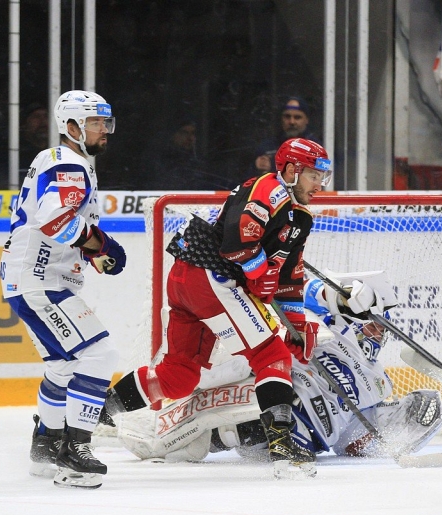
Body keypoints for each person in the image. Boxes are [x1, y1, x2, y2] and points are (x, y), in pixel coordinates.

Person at [100, 138, 365, 478]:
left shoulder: (298, 216)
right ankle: (282, 445)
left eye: (323, 177)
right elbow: (236, 243)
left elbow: (289, 274)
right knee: (272, 357)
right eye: (314, 175)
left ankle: (93, 413)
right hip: (209, 277)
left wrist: (297, 327)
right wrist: (257, 273)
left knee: (178, 376)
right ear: (291, 170)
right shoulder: (268, 189)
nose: (320, 185)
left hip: (190, 280)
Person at [110, 273, 442, 465]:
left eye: (383, 328)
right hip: (262, 392)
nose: (379, 333)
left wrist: (403, 430)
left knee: (221, 432)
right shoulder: (328, 322)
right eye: (375, 324)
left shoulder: (379, 382)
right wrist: (341, 296)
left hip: (293, 439)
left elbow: (352, 442)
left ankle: (212, 434)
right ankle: (147, 415)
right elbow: (302, 289)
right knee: (228, 370)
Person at [0, 90, 127, 489]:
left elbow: (56, 225)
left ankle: (46, 445)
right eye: (94, 123)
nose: (103, 130)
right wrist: (100, 243)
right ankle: (75, 451)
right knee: (99, 354)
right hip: (41, 281)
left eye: (105, 122)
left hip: (34, 277)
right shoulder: (69, 163)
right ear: (71, 127)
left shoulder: (60, 160)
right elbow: (55, 221)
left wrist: (90, 252)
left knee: (63, 364)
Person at [145, 116, 235, 191]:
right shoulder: (158, 161)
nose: (190, 138)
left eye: (193, 133)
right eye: (184, 133)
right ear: (172, 135)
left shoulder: (198, 162)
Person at [249, 96, 320, 179]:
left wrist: (272, 166)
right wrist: (256, 168)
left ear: (306, 120)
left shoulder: (317, 148)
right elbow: (247, 182)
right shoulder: (266, 147)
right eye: (287, 116)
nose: (292, 122)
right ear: (281, 118)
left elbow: (322, 173)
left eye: (297, 117)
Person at [18, 102, 49, 183]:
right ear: (24, 124)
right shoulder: (15, 155)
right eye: (36, 117)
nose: (43, 121)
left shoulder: (66, 152)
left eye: (46, 116)